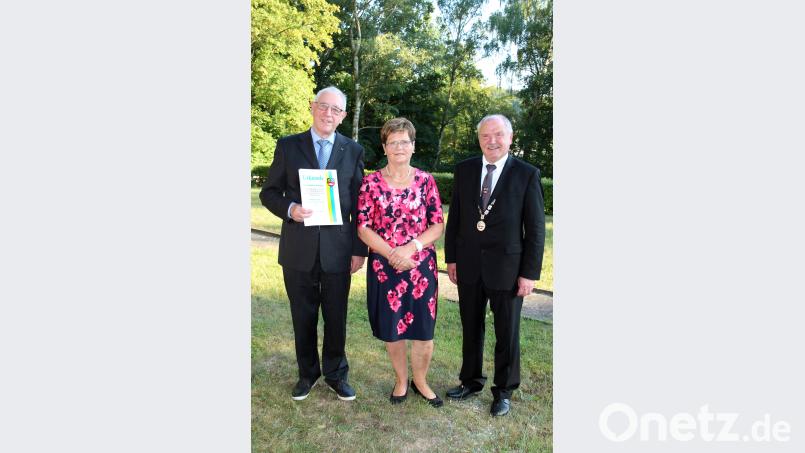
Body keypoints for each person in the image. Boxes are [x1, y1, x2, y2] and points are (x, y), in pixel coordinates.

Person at [260, 86, 367, 401]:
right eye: (323, 106)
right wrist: (290, 209)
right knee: (302, 316)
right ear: (312, 107)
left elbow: (359, 205)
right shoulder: (288, 146)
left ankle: (336, 374)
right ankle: (307, 374)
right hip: (298, 250)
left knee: (336, 317)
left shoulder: (353, 150)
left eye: (335, 109)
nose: (328, 113)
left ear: (343, 116)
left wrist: (359, 250)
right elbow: (269, 192)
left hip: (339, 251)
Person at [444, 114, 546, 416]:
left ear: (510, 138)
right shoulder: (464, 170)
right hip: (469, 265)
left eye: (498, 135)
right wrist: (452, 258)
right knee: (470, 327)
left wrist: (529, 273)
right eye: (486, 135)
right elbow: (456, 218)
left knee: (507, 332)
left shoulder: (526, 174)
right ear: (479, 139)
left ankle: (504, 391)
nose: (492, 141)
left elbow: (536, 230)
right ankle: (470, 380)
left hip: (508, 270)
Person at [356, 118, 445, 407]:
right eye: (392, 142)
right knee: (393, 329)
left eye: (404, 141)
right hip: (386, 268)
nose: (399, 147)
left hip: (420, 268)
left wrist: (410, 248)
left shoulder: (426, 181)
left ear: (413, 146)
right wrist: (393, 254)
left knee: (423, 331)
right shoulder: (370, 182)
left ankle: (421, 381)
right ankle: (401, 380)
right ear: (384, 147)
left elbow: (437, 225)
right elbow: (363, 227)